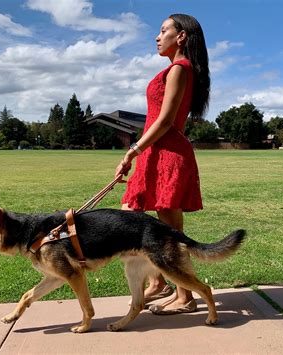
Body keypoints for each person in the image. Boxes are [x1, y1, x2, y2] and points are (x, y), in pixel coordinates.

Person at [114, 14, 210, 315]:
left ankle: (185, 296)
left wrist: (133, 150)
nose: (157, 37)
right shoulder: (173, 69)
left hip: (167, 154)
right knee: (134, 218)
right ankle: (159, 283)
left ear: (181, 37)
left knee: (167, 229)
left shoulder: (181, 69)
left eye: (163, 30)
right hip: (155, 153)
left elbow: (166, 120)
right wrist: (140, 152)